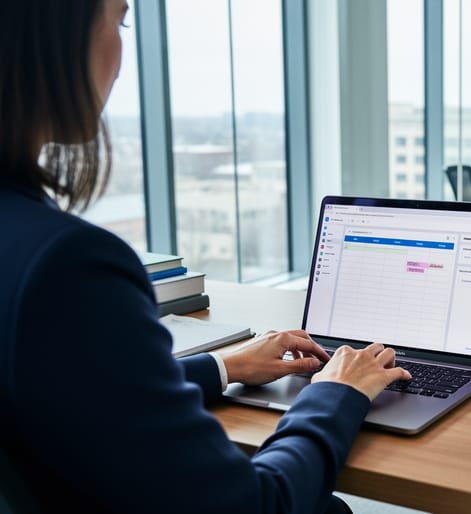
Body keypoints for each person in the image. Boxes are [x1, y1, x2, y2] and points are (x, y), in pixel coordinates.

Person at [0, 2, 410, 513]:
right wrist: (335, 393)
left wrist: (224, 365)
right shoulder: (67, 266)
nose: (122, 53)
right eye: (121, 21)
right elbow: (258, 505)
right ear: (52, 31)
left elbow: (81, 393)